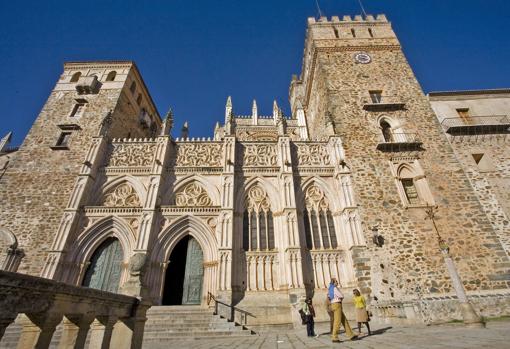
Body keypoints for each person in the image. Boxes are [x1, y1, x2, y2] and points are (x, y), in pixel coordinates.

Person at [328, 278, 357, 343]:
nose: (337, 283)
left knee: (344, 320)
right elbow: (341, 295)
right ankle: (334, 337)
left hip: (334, 304)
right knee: (337, 321)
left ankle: (351, 335)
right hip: (337, 304)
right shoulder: (335, 288)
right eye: (336, 281)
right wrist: (341, 297)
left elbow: (329, 297)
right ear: (333, 282)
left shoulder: (330, 289)